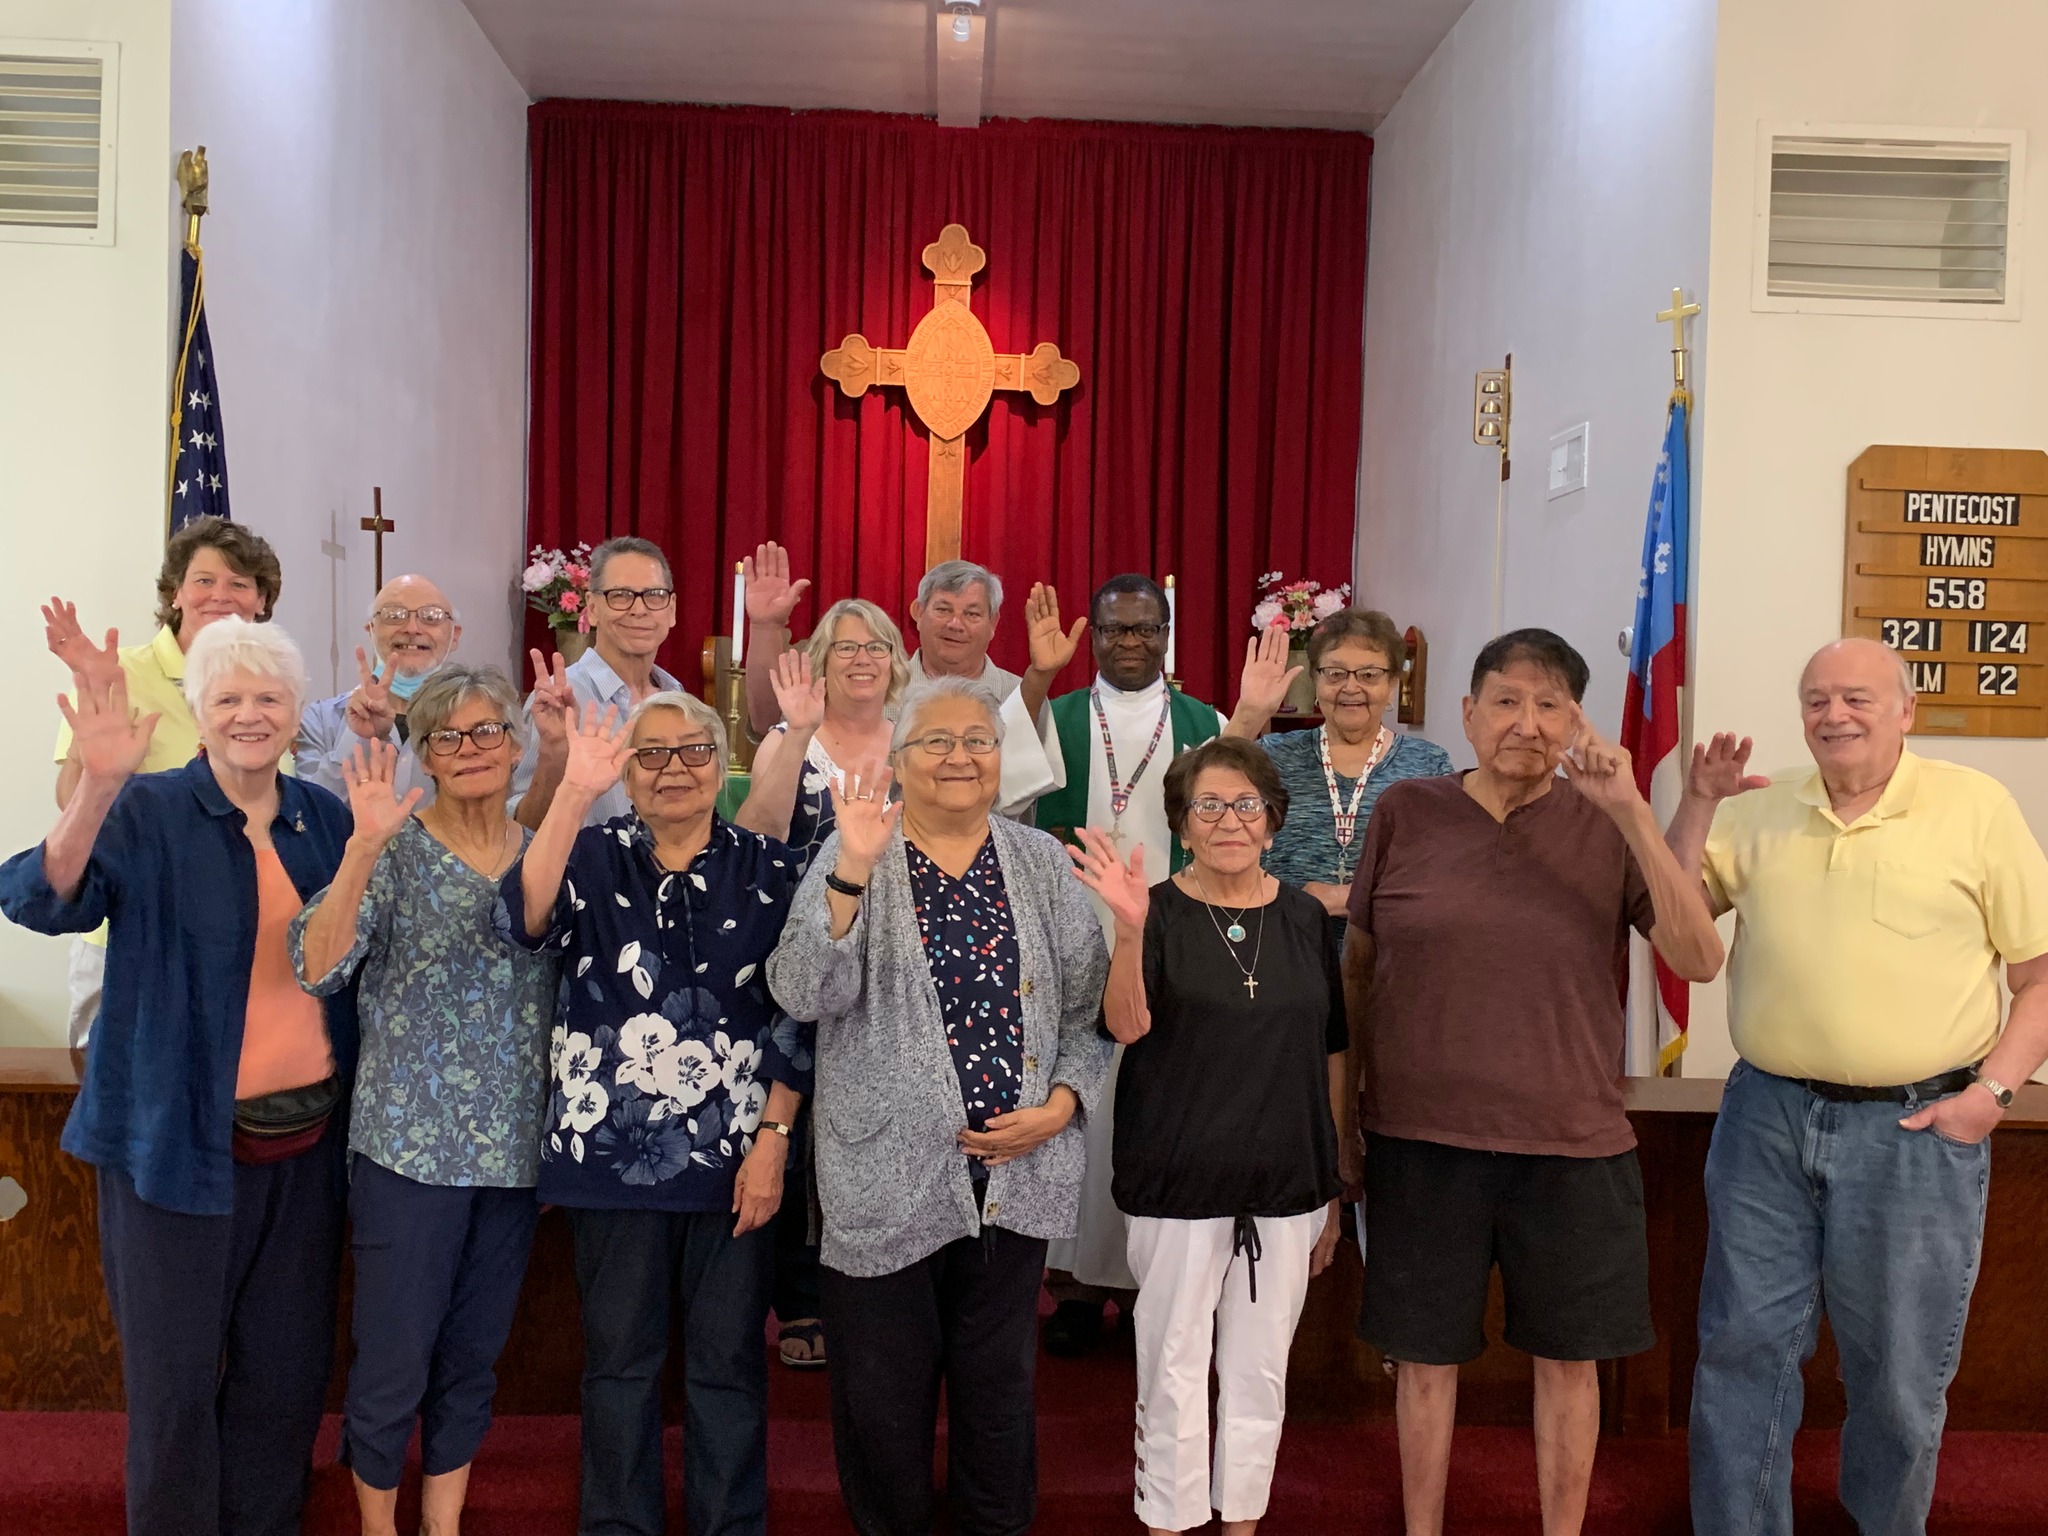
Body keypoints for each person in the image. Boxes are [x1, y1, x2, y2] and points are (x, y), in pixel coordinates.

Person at [1343, 628, 1724, 1536]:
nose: (1527, 722)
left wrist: (1633, 810)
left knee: (1570, 1362)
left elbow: (1700, 958)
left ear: (1576, 723)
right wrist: (1344, 1114)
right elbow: (1357, 971)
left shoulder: (1605, 821)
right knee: (1424, 1362)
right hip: (1420, 1139)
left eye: (1551, 704)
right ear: (1467, 714)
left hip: (1573, 1143)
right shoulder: (1406, 810)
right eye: (1506, 701)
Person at [1665, 638, 2048, 1536]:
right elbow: (1680, 926)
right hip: (1766, 1117)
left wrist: (1989, 1096)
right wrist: (1695, 803)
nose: (1833, 715)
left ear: (1906, 711)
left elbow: (2038, 978)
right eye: (1815, 700)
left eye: (1857, 699)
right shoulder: (1759, 811)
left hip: (1918, 1128)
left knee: (1900, 1371)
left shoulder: (1975, 807)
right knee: (1741, 1349)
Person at [0, 617, 352, 1536]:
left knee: (284, 1384)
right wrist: (97, 786)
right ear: (196, 713)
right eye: (227, 698)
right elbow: (39, 898)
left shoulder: (330, 819)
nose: (249, 714)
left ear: (293, 714)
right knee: (176, 1389)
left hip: (306, 1150)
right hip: (173, 1153)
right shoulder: (148, 809)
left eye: (268, 696)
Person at [766, 676, 1111, 1536]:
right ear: (901, 757)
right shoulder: (857, 845)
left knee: (999, 1396)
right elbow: (803, 991)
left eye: (977, 741)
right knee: (883, 1401)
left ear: (1000, 759)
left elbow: (1086, 1009)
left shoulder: (1037, 860)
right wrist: (849, 870)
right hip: (880, 1176)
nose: (960, 757)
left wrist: (1064, 1105)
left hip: (1014, 1174)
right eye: (937, 741)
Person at [498, 690, 810, 1536]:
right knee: (620, 1369)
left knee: (729, 1368)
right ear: (626, 772)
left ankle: (728, 1525)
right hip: (610, 1157)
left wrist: (775, 1140)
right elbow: (525, 923)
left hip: (739, 1160)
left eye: (693, 751)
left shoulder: (774, 869)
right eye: (651, 755)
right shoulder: (589, 854)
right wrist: (571, 788)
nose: (674, 770)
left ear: (723, 763)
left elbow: (802, 1011)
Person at [290, 665, 559, 1536]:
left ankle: (441, 1524)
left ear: (515, 746)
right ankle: (377, 1526)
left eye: (489, 732)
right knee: (394, 1359)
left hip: (516, 1154)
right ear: (425, 755)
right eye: (449, 736)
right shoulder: (396, 850)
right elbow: (318, 965)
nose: (473, 748)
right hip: (408, 1149)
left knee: (472, 1358)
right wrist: (363, 846)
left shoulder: (543, 853)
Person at [995, 574, 1288, 1351]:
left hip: (1171, 941)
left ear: (1167, 633)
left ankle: (1147, 1281)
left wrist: (1252, 715)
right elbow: (1003, 790)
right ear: (1093, 638)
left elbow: (1243, 804)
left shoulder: (1206, 721)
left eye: (1146, 629)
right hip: (1067, 940)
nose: (1132, 643)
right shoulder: (1054, 714)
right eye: (1116, 631)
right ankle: (1075, 1284)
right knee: (1074, 1106)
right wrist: (1036, 676)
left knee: (1153, 1102)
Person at [1071, 736, 1347, 1536]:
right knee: (1172, 1365)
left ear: (1273, 821)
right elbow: (1123, 1027)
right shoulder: (1153, 911)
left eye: (1247, 804)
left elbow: (1331, 1047)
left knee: (1260, 1370)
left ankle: (1241, 1521)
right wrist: (1127, 931)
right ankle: (1170, 1521)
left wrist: (1330, 1180)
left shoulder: (1301, 916)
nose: (1230, 820)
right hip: (1179, 1177)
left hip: (1287, 1183)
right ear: (1183, 827)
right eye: (1209, 806)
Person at [44, 514, 284, 1047]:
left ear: (261, 602)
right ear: (175, 594)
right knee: (116, 1104)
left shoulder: (272, 688)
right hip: (130, 933)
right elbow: (69, 803)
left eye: (239, 583)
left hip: (236, 940)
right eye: (203, 580)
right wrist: (101, 768)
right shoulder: (117, 674)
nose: (220, 595)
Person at [1236, 609, 1452, 944]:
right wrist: (1248, 714)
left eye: (1369, 675)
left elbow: (1445, 873)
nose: (1351, 687)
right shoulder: (1274, 755)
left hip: (1390, 962)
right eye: (1335, 674)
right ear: (1315, 679)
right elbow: (1198, 800)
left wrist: (1349, 898)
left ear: (1393, 683)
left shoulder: (1428, 766)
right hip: (1281, 951)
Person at [740, 545, 1021, 736]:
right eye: (943, 609)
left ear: (993, 624)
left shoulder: (1022, 696)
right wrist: (766, 626)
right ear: (918, 613)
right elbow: (769, 722)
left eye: (972, 614)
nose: (955, 624)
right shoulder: (874, 681)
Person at [511, 534, 682, 829]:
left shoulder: (676, 695)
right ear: (592, 608)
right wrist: (555, 755)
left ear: (671, 609)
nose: (639, 609)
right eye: (620, 595)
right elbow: (524, 828)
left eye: (654, 594)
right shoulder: (562, 698)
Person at [739, 597, 908, 878]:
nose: (863, 659)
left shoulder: (912, 742)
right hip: (805, 912)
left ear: (893, 662)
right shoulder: (786, 740)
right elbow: (754, 839)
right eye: (846, 648)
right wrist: (799, 734)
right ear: (823, 660)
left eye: (877, 647)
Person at [294, 573, 465, 805]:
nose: (412, 628)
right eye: (394, 615)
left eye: (431, 616)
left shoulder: (479, 723)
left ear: (454, 636)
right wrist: (360, 738)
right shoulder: (320, 720)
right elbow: (310, 817)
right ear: (371, 630)